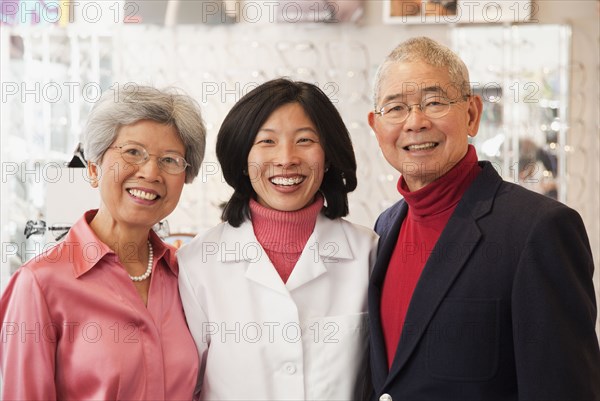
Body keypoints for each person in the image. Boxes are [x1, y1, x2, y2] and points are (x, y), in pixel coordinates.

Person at [366, 37, 600, 400]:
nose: (415, 122)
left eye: (434, 102)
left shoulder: (538, 229)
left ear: (472, 114)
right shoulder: (384, 228)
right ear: (376, 126)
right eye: (395, 108)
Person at [0, 85, 207, 400]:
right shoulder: (40, 285)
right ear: (94, 168)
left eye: (170, 160)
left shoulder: (187, 276)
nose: (151, 172)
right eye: (133, 152)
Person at [178, 78, 378, 400]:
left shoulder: (368, 254)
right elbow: (186, 386)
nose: (286, 158)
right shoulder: (197, 263)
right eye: (267, 142)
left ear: (327, 157)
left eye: (304, 140)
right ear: (243, 157)